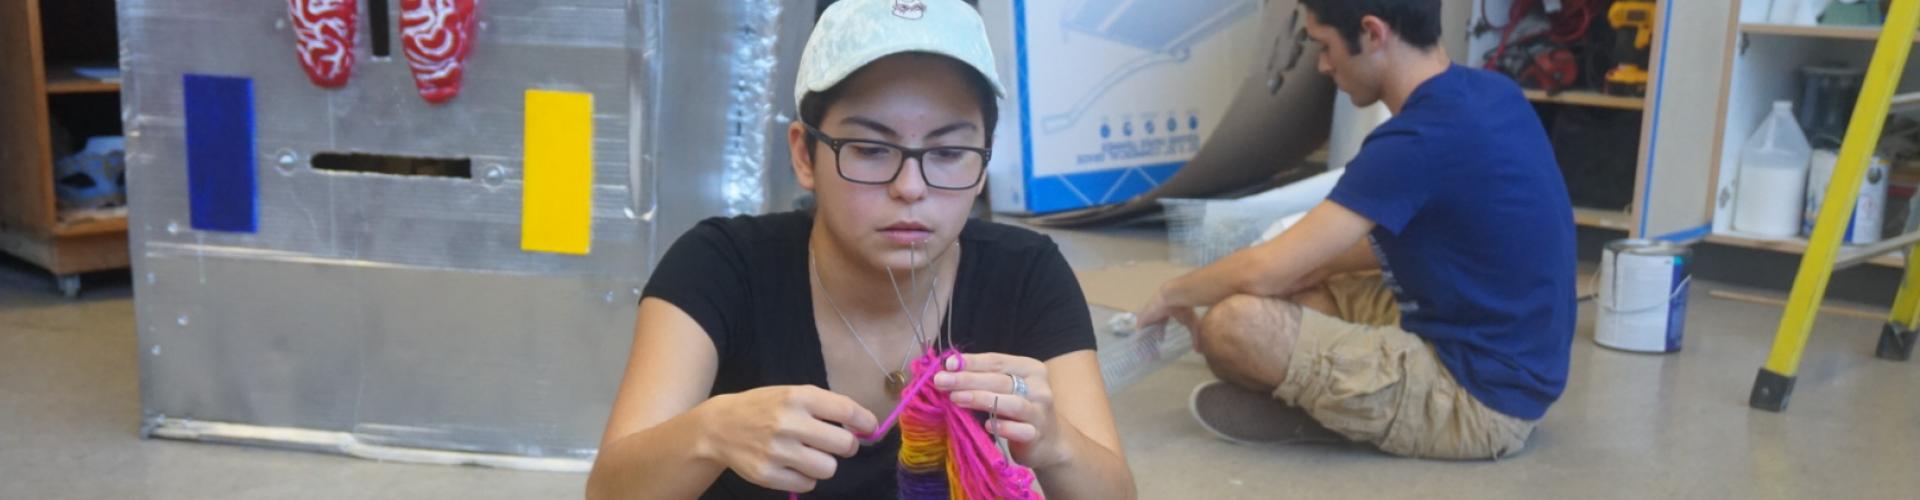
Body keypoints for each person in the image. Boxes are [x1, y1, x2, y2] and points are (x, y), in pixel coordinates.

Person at [586, 0, 1135, 497]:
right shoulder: (721, 266)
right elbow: (609, 491)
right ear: (805, 155)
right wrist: (708, 434)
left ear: (985, 161)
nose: (911, 187)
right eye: (871, 149)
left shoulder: (1026, 272)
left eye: (949, 152)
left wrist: (1056, 443)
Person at [1137, 0, 1575, 460]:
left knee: (1231, 327)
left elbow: (1264, 269)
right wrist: (1305, 268)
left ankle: (1340, 417)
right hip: (1495, 350)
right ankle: (1344, 399)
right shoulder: (1490, 93)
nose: (1324, 66)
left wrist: (1173, 294)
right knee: (1291, 293)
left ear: (1372, 33)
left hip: (1477, 403)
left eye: (1325, 46)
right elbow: (1447, 238)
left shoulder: (1415, 140)